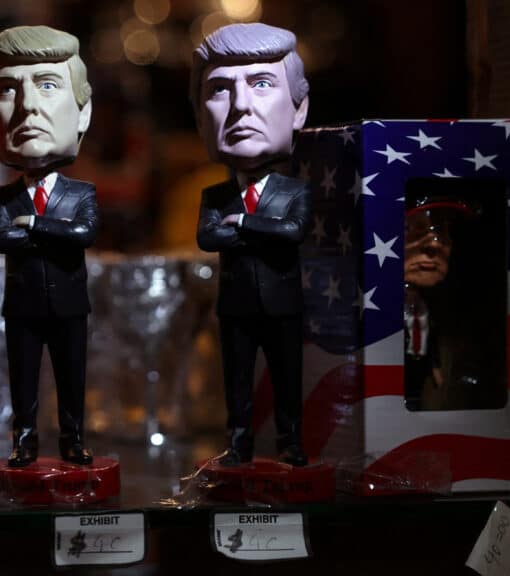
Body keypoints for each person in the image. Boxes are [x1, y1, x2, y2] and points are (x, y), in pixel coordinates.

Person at [0, 25, 98, 467]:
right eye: (8, 89)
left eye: (47, 86)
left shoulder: (81, 193)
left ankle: (73, 438)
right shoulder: (2, 199)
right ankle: (24, 441)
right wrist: (50, 229)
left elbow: (84, 234)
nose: (28, 107)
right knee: (22, 380)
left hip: (69, 305)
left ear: (83, 113)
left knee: (72, 377)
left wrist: (32, 225)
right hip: (23, 307)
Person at [193, 23, 313, 467]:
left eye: (261, 84)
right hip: (236, 306)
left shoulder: (294, 191)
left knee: (287, 378)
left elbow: (293, 231)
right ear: (199, 115)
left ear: (299, 109)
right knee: (236, 381)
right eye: (220, 89)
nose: (241, 106)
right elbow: (209, 236)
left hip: (283, 305)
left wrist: (243, 222)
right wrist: (263, 228)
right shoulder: (213, 197)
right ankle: (238, 443)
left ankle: (291, 441)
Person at [402, 195, 471, 410]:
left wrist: (434, 367)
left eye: (442, 232)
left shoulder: (430, 307)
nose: (434, 245)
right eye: (416, 229)